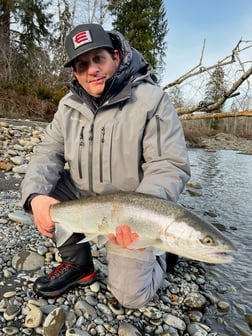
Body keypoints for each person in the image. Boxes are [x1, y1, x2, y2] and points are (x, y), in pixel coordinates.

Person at [21, 23, 190, 308]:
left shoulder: (152, 100)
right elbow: (47, 153)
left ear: (115, 57)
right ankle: (79, 266)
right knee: (43, 196)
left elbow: (168, 164)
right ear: (75, 73)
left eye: (98, 59)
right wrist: (35, 197)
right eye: (82, 65)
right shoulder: (68, 106)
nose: (92, 70)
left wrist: (143, 216)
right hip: (85, 198)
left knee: (130, 296)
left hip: (132, 208)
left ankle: (163, 250)